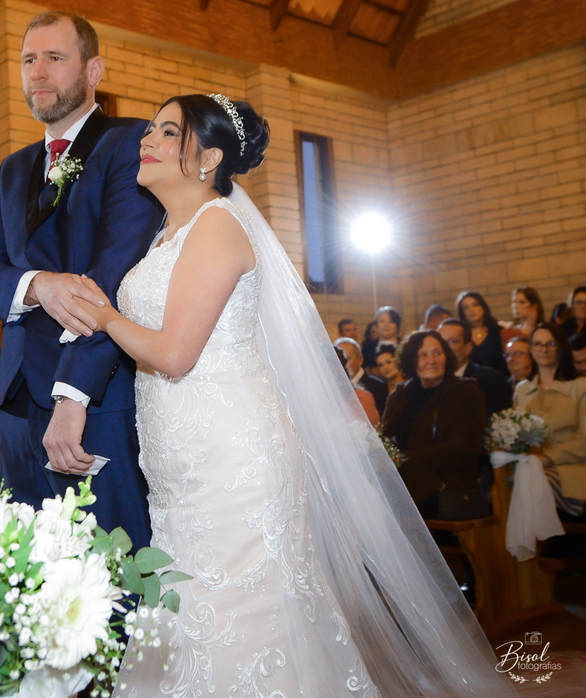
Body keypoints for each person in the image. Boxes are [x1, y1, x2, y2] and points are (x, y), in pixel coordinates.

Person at [72, 95, 510, 697]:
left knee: (243, 614)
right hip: (181, 461)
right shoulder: (165, 235)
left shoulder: (218, 225)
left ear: (210, 158)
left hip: (232, 460)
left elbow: (174, 354)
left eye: (168, 131)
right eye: (151, 128)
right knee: (188, 604)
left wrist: (103, 315)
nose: (147, 139)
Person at [0, 11, 162, 550]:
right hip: (17, 402)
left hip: (94, 398)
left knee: (110, 568)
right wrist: (38, 286)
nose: (38, 72)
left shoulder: (130, 144)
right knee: (29, 567)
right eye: (29, 60)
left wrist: (74, 397)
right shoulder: (14, 168)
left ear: (94, 70)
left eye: (55, 57)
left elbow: (114, 276)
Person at [381, 331, 489, 518]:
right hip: (403, 483)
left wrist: (404, 458)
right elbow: (384, 437)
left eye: (437, 353)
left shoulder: (466, 392)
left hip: (446, 487)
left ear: (447, 357)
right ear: (411, 360)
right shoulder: (401, 393)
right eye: (423, 355)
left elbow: (464, 448)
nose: (431, 360)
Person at [514, 323, 586, 516]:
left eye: (551, 344)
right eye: (538, 344)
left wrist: (547, 458)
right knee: (504, 485)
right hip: (532, 468)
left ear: (561, 347)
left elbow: (584, 438)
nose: (544, 350)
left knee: (532, 484)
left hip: (573, 469)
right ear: (531, 349)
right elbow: (515, 433)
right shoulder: (522, 389)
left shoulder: (580, 386)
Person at [438, 318, 512, 418]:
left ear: (468, 348)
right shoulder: (430, 381)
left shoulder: (491, 380)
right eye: (441, 342)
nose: (445, 348)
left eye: (453, 341)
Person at [334, 336, 388, 416]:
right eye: (336, 361)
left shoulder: (378, 387)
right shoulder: (332, 387)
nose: (340, 365)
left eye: (346, 359)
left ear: (360, 359)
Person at [457, 289, 507, 373]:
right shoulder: (461, 336)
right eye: (466, 308)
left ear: (483, 307)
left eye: (475, 305)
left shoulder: (498, 331)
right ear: (462, 313)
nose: (471, 310)